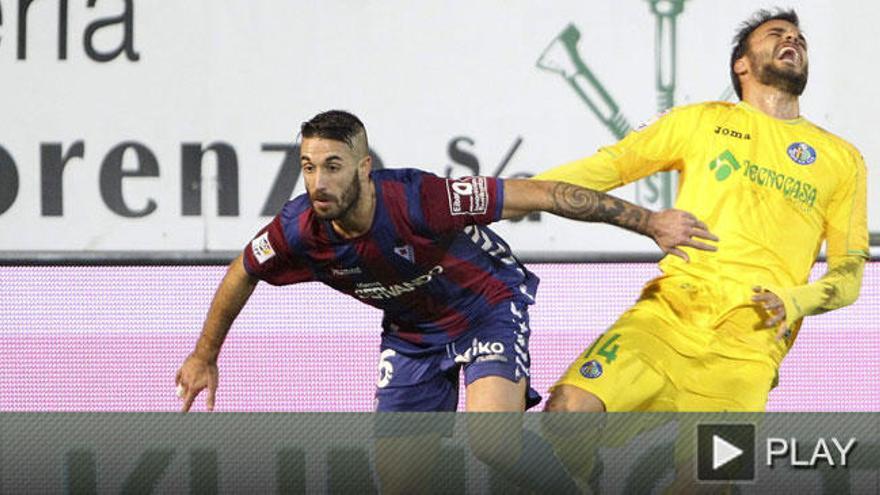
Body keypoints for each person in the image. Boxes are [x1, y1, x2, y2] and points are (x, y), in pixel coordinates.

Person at [174, 110, 714, 491]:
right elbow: (242, 271)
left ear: (363, 168)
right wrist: (204, 355)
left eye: (333, 165)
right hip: (412, 332)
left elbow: (544, 194)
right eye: (309, 166)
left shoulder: (420, 199)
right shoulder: (297, 228)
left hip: (485, 304)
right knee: (401, 481)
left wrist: (649, 222)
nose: (318, 181)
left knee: (493, 442)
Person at [538, 7, 868, 413]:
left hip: (749, 348)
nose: (793, 40)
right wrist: (511, 195)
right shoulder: (701, 121)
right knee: (567, 410)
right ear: (741, 65)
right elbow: (604, 168)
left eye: (800, 38)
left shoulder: (842, 159)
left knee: (706, 478)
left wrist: (796, 300)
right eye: (776, 34)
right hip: (667, 316)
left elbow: (849, 272)